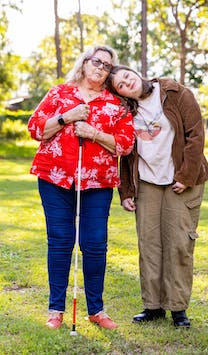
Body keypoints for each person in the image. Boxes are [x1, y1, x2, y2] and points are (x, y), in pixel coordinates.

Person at [28, 47, 135, 330]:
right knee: (61, 241)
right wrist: (68, 116)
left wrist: (94, 134)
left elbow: (125, 144)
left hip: (98, 183)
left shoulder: (116, 104)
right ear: (85, 63)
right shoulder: (60, 93)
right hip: (54, 178)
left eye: (107, 66)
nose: (101, 68)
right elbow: (36, 128)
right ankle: (55, 311)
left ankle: (97, 311)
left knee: (95, 244)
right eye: (96, 62)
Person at [105, 65, 208, 328]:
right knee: (149, 244)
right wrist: (126, 191)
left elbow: (195, 135)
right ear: (119, 93)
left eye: (126, 76)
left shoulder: (175, 93)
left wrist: (186, 176)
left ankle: (177, 308)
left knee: (178, 244)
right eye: (119, 85)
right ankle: (152, 306)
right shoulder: (126, 111)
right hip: (147, 182)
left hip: (180, 179)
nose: (126, 83)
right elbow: (126, 151)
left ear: (135, 72)